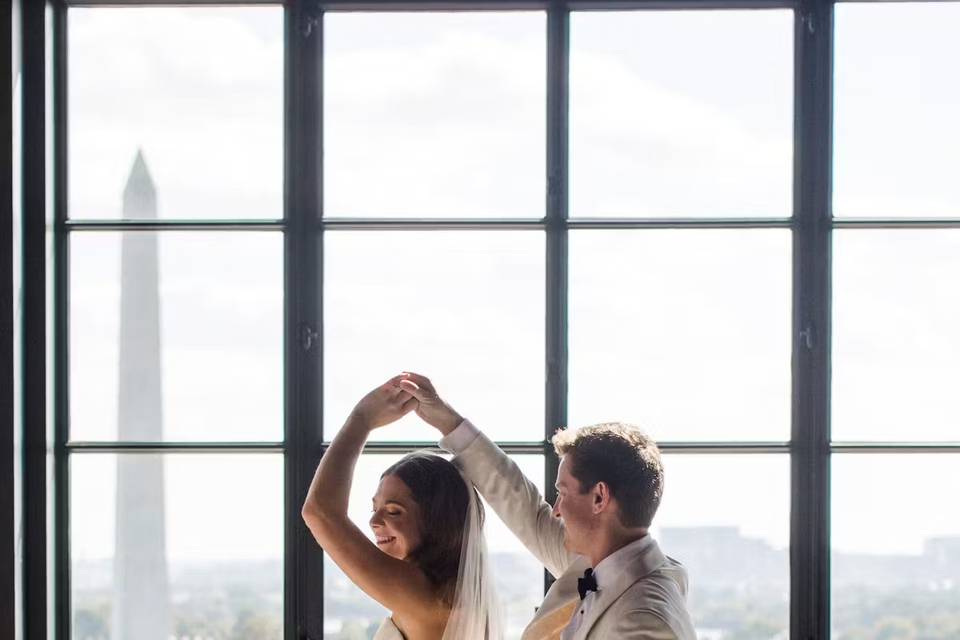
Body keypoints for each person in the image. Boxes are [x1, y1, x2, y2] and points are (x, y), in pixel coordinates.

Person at [398, 372, 697, 640]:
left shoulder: (645, 621)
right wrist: (446, 420)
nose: (556, 509)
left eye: (563, 494)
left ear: (599, 498)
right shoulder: (595, 563)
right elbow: (523, 506)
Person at [301, 377, 501, 640]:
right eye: (374, 508)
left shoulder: (425, 596)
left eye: (393, 511)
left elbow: (320, 512)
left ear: (436, 520)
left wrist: (361, 419)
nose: (374, 521)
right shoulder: (454, 593)